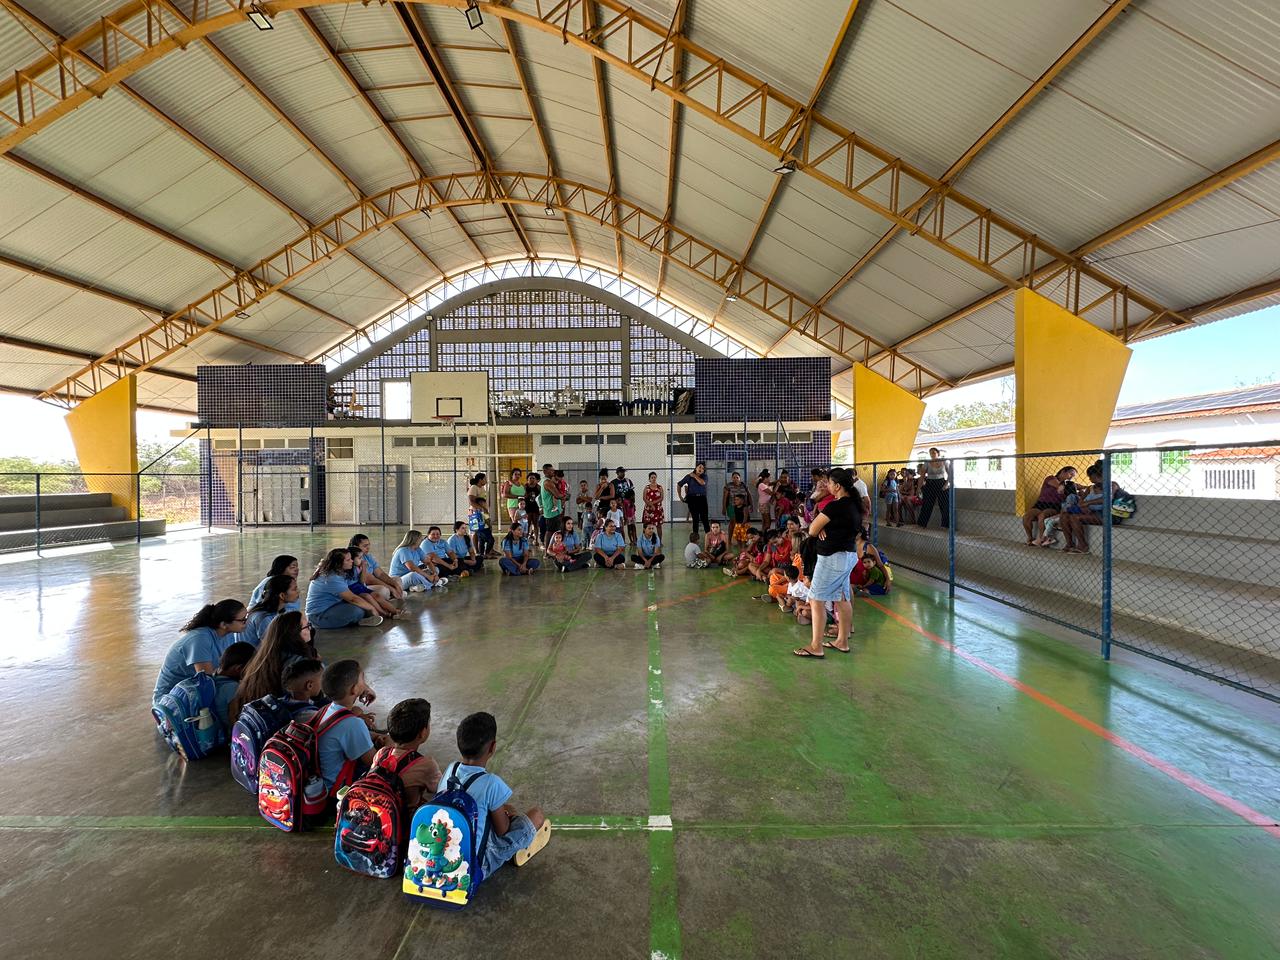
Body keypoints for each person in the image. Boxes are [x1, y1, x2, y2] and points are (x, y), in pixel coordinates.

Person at [451, 711, 549, 876]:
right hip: (475, 867)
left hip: (449, 850)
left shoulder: (451, 769)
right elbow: (502, 831)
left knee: (503, 807)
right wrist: (508, 815)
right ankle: (519, 847)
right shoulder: (491, 783)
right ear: (493, 747)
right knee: (536, 815)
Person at [795, 467, 863, 659]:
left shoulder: (836, 506)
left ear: (838, 486)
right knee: (842, 598)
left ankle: (816, 646)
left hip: (832, 557)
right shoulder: (854, 504)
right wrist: (824, 527)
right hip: (847, 555)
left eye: (830, 483)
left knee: (816, 599)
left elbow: (812, 530)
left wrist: (820, 527)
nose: (828, 486)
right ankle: (842, 641)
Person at [316, 659, 390, 801]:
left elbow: (344, 733)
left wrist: (373, 735)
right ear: (354, 689)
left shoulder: (327, 710)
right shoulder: (353, 724)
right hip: (337, 790)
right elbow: (374, 763)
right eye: (363, 678)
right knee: (391, 765)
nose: (365, 682)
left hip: (321, 781)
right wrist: (389, 744)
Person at [228, 611, 319, 725]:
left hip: (258, 719)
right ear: (294, 634)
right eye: (307, 626)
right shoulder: (298, 663)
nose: (310, 629)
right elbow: (309, 695)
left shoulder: (264, 656)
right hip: (281, 722)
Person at [151, 599, 247, 703]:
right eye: (243, 620)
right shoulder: (200, 639)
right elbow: (206, 681)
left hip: (191, 691)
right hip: (172, 700)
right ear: (224, 624)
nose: (246, 622)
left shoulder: (228, 635)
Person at [378, 698, 443, 809]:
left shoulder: (381, 753)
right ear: (423, 733)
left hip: (378, 811)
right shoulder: (427, 764)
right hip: (406, 817)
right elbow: (440, 788)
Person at [307, 549, 385, 629]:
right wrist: (372, 608)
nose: (352, 561)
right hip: (319, 615)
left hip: (334, 605)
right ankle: (358, 621)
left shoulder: (336, 571)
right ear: (339, 563)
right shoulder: (332, 578)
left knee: (363, 603)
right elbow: (353, 599)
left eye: (351, 558)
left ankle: (358, 619)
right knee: (357, 611)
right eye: (348, 560)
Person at [1059, 461, 1116, 554]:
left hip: (1104, 514)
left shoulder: (1112, 485)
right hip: (1089, 512)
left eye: (1091, 476)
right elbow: (1081, 502)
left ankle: (1083, 546)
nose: (1090, 479)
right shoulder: (1090, 488)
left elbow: (1107, 499)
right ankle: (1069, 544)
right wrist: (1083, 506)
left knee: (1075, 517)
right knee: (1064, 515)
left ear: (1098, 475)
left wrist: (1088, 503)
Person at [1024, 466, 1078, 546]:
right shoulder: (1051, 478)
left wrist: (1085, 488)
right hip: (1040, 504)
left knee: (1042, 515)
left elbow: (1077, 487)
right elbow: (1058, 486)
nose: (1071, 477)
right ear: (1063, 471)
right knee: (1027, 516)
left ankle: (1041, 539)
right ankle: (1030, 538)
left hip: (1053, 506)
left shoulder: (1068, 484)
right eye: (1070, 474)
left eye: (1073, 476)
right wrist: (1066, 487)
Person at [346, 547, 404, 620]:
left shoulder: (358, 567)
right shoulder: (346, 569)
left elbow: (362, 581)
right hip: (353, 589)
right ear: (352, 559)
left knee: (377, 595)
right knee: (368, 596)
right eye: (359, 558)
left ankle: (395, 611)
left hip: (360, 587)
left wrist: (364, 568)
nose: (362, 560)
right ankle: (383, 613)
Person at [242, 574, 299, 647]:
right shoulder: (264, 618)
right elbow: (272, 646)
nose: (298, 592)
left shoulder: (276, 611)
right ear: (282, 595)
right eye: (294, 589)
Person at [211, 641, 256, 733]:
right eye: (251, 669)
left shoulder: (213, 676)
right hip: (226, 735)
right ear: (238, 669)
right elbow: (234, 720)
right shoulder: (232, 688)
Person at [349, 533, 404, 601]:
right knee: (383, 590)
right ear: (355, 547)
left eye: (369, 545)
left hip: (375, 582)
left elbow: (380, 574)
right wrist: (391, 588)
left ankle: (394, 595)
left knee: (397, 580)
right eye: (365, 546)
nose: (368, 548)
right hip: (363, 585)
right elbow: (370, 580)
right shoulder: (354, 561)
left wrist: (395, 585)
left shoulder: (368, 556)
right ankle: (393, 596)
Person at [917, 448, 950, 530]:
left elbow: (950, 474)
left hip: (941, 483)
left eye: (934, 453)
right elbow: (922, 476)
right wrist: (919, 488)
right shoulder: (927, 463)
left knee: (944, 504)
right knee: (927, 504)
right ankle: (922, 524)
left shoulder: (944, 461)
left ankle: (945, 525)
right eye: (930, 453)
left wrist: (946, 484)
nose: (932, 454)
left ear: (938, 453)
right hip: (930, 483)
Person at [467, 474, 499, 558]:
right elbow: (471, 501)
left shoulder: (482, 488)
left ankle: (490, 549)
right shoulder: (474, 487)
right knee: (476, 531)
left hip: (483, 511)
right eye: (485, 479)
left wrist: (485, 510)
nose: (486, 480)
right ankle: (477, 551)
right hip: (475, 512)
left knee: (488, 528)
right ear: (480, 480)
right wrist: (482, 509)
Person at [678, 461, 710, 537]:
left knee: (704, 518)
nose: (701, 469)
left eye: (703, 468)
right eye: (699, 467)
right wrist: (680, 496)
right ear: (696, 468)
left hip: (702, 498)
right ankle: (695, 537)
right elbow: (679, 484)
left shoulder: (704, 476)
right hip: (692, 499)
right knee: (695, 518)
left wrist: (694, 476)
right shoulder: (688, 477)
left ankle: (709, 537)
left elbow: (702, 483)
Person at [538, 467, 564, 538]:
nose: (553, 471)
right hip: (551, 512)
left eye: (553, 470)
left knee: (555, 531)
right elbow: (557, 495)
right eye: (551, 470)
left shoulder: (549, 481)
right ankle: (547, 545)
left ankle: (553, 544)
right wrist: (564, 496)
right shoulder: (548, 482)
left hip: (553, 511)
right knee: (550, 531)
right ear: (545, 471)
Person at [614, 467, 637, 545]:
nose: (623, 474)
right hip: (620, 506)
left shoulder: (628, 481)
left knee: (632, 524)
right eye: (621, 472)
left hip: (629, 505)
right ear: (617, 473)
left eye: (624, 472)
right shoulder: (614, 482)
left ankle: (634, 539)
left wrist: (633, 502)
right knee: (621, 524)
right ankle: (622, 541)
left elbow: (632, 492)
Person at [642, 471, 665, 540]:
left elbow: (661, 498)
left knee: (659, 526)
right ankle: (646, 540)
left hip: (657, 509)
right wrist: (650, 505)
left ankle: (659, 541)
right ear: (649, 479)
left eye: (654, 477)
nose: (653, 479)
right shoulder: (647, 487)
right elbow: (644, 498)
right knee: (646, 525)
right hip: (648, 509)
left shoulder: (660, 487)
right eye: (652, 477)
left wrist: (653, 503)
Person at [849, 467, 872, 535]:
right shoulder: (853, 483)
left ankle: (864, 537)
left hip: (862, 507)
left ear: (854, 475)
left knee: (862, 525)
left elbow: (867, 499)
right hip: (856, 507)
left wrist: (868, 510)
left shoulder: (860, 484)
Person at [525, 472, 544, 547]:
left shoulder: (538, 487)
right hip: (527, 507)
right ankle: (525, 540)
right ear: (527, 479)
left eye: (533, 478)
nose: (532, 480)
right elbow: (523, 495)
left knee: (535, 524)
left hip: (536, 507)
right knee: (528, 524)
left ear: (536, 480)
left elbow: (542, 497)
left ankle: (536, 540)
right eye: (530, 478)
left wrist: (541, 507)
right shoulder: (525, 486)